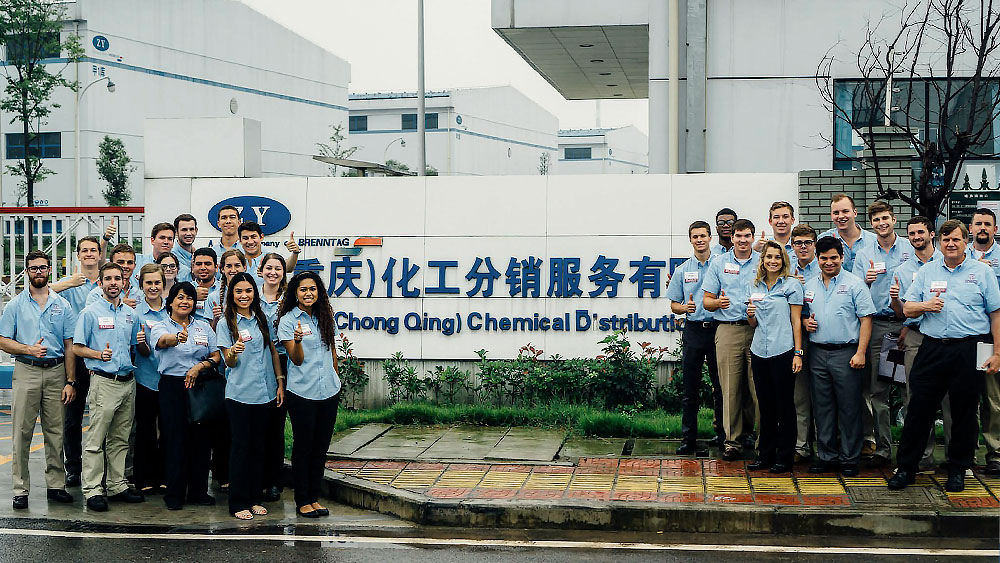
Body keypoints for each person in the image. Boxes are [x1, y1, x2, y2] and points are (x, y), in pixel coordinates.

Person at [890, 220, 1000, 492]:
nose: (951, 244)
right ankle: (906, 468)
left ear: (966, 241)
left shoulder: (981, 272)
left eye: (956, 239)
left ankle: (958, 468)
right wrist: (926, 305)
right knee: (918, 409)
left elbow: (995, 313)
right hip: (933, 347)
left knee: (964, 411)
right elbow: (907, 308)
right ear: (938, 242)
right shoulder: (927, 272)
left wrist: (998, 352)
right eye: (946, 239)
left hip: (968, 348)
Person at [0, 251, 77, 509]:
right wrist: (27, 349)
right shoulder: (15, 306)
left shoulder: (62, 305)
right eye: (33, 269)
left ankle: (56, 485)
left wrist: (70, 380)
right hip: (27, 370)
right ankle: (21, 489)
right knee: (21, 431)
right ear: (27, 272)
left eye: (43, 268)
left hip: (56, 372)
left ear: (49, 270)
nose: (39, 272)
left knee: (56, 432)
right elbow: (2, 340)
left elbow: (69, 345)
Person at [73, 262, 145, 511]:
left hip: (128, 381)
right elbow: (76, 347)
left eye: (118, 278)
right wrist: (97, 354)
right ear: (101, 283)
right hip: (104, 381)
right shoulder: (90, 313)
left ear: (124, 283)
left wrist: (143, 341)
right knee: (96, 439)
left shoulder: (130, 314)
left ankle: (117, 485)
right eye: (109, 279)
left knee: (120, 438)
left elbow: (138, 347)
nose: (114, 282)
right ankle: (93, 489)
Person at [804, 237, 875, 476]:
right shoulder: (810, 285)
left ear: (842, 258)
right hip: (817, 352)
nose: (829, 262)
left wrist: (861, 353)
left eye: (833, 257)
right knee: (822, 407)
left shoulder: (855, 284)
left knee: (848, 407)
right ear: (817, 259)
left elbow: (866, 319)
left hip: (847, 353)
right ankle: (827, 456)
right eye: (823, 258)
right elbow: (802, 315)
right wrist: (806, 322)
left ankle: (849, 458)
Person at [216, 273, 285, 520]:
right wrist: (233, 351)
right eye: (239, 292)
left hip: (264, 392)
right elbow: (228, 361)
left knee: (259, 448)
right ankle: (238, 502)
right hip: (239, 395)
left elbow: (274, 353)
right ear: (232, 295)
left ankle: (255, 496)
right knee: (241, 449)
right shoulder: (226, 322)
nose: (244, 296)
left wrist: (279, 382)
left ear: (254, 293)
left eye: (248, 291)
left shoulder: (261, 319)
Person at [852, 201, 914, 465]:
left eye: (885, 218)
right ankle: (883, 450)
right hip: (878, 326)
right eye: (876, 220)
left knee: (909, 390)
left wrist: (908, 325)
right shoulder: (864, 254)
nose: (881, 223)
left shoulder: (910, 249)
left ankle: (914, 452)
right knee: (879, 391)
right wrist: (865, 280)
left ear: (894, 219)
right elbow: (856, 292)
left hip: (908, 326)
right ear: (871, 224)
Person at [150, 282, 222, 510]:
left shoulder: (204, 327)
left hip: (200, 385)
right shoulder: (160, 326)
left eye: (189, 298)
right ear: (170, 301)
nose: (185, 302)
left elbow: (216, 355)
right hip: (173, 387)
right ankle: (175, 493)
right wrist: (176, 338)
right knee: (175, 439)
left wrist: (200, 366)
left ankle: (199, 491)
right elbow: (162, 342)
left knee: (201, 439)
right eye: (180, 297)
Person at [278, 272, 342, 518]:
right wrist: (296, 342)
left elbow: (332, 350)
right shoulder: (287, 320)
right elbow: (296, 359)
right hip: (302, 392)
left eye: (312, 289)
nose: (308, 293)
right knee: (303, 447)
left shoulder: (324, 316)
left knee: (321, 447)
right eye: (303, 289)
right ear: (295, 292)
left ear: (319, 292)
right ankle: (302, 499)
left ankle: (314, 497)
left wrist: (336, 377)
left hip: (329, 390)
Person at [702, 218, 760, 461]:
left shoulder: (763, 262)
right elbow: (707, 300)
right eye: (739, 236)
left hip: (760, 330)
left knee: (759, 390)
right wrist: (718, 303)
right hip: (728, 330)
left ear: (753, 237)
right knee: (730, 389)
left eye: (747, 236)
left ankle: (763, 442)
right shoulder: (719, 263)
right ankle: (732, 442)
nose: (743, 240)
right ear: (732, 238)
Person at [666, 221, 725, 455]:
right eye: (695, 236)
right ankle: (688, 438)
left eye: (703, 236)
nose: (699, 240)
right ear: (690, 240)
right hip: (693, 330)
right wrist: (684, 308)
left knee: (720, 386)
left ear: (710, 237)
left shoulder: (721, 266)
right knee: (690, 387)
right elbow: (673, 305)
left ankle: (723, 436)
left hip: (717, 330)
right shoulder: (682, 270)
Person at [892, 216, 945, 473]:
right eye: (911, 234)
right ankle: (923, 458)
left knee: (950, 399)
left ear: (931, 234)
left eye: (920, 232)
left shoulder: (946, 261)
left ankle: (957, 458)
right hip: (915, 335)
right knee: (916, 397)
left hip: (944, 338)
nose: (916, 237)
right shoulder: (903, 270)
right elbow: (904, 312)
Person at [746, 241, 804, 473]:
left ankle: (784, 457)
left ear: (783, 260)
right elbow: (753, 323)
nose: (772, 261)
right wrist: (750, 315)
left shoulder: (790, 285)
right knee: (765, 406)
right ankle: (765, 455)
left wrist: (798, 353)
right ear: (762, 260)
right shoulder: (755, 286)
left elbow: (796, 321)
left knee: (784, 406)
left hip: (783, 350)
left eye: (777, 257)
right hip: (759, 350)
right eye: (768, 256)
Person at [51, 236, 101, 488]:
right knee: (73, 415)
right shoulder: (71, 283)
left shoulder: (108, 282)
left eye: (94, 250)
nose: (90, 254)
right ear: (78, 255)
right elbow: (39, 290)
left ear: (100, 254)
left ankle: (99, 470)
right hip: (75, 356)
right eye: (85, 251)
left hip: (102, 357)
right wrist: (66, 283)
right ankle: (73, 467)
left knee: (102, 417)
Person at [967, 208, 1000, 476]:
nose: (982, 228)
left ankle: (994, 453)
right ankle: (967, 453)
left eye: (987, 224)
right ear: (970, 228)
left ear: (995, 229)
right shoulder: (959, 255)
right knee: (965, 396)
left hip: (992, 336)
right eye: (978, 223)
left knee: (992, 397)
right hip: (965, 337)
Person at [132, 264, 169, 495]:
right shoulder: (136, 314)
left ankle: (165, 476)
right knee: (145, 430)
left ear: (163, 284)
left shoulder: (172, 310)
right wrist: (142, 343)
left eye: (157, 283)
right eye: (149, 283)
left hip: (169, 379)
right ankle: (144, 478)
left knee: (168, 430)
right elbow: (142, 351)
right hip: (145, 378)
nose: (153, 287)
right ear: (141, 285)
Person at [258, 253, 290, 501]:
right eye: (269, 267)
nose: (273, 272)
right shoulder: (251, 297)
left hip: (287, 363)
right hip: (257, 364)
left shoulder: (289, 300)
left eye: (278, 268)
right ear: (261, 270)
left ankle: (274, 481)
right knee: (259, 424)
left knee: (277, 426)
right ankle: (258, 478)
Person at [789, 224, 819, 462]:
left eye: (807, 242)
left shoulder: (827, 266)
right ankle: (801, 447)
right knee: (799, 396)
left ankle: (827, 446)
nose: (803, 247)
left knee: (823, 395)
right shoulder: (786, 269)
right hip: (795, 338)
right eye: (798, 243)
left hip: (823, 339)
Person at [819, 194, 877, 273]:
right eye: (836, 213)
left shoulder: (873, 241)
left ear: (855, 213)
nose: (841, 216)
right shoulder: (822, 239)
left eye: (845, 211)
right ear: (831, 215)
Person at [190, 248, 220, 323]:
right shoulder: (184, 290)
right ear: (193, 267)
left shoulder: (224, 289)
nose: (203, 268)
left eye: (207, 264)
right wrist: (192, 296)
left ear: (216, 267)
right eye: (199, 264)